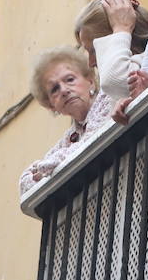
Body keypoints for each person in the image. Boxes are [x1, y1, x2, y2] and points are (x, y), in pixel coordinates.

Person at [19, 47, 115, 193]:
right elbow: (26, 184)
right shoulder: (69, 138)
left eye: (70, 80)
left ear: (90, 81)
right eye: (54, 89)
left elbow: (91, 141)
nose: (63, 90)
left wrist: (49, 167)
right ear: (51, 106)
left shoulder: (109, 98)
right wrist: (44, 168)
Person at [72, 0, 148, 101]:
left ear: (126, 39)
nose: (91, 63)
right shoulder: (105, 94)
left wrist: (122, 27)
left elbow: (114, 80)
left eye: (95, 51)